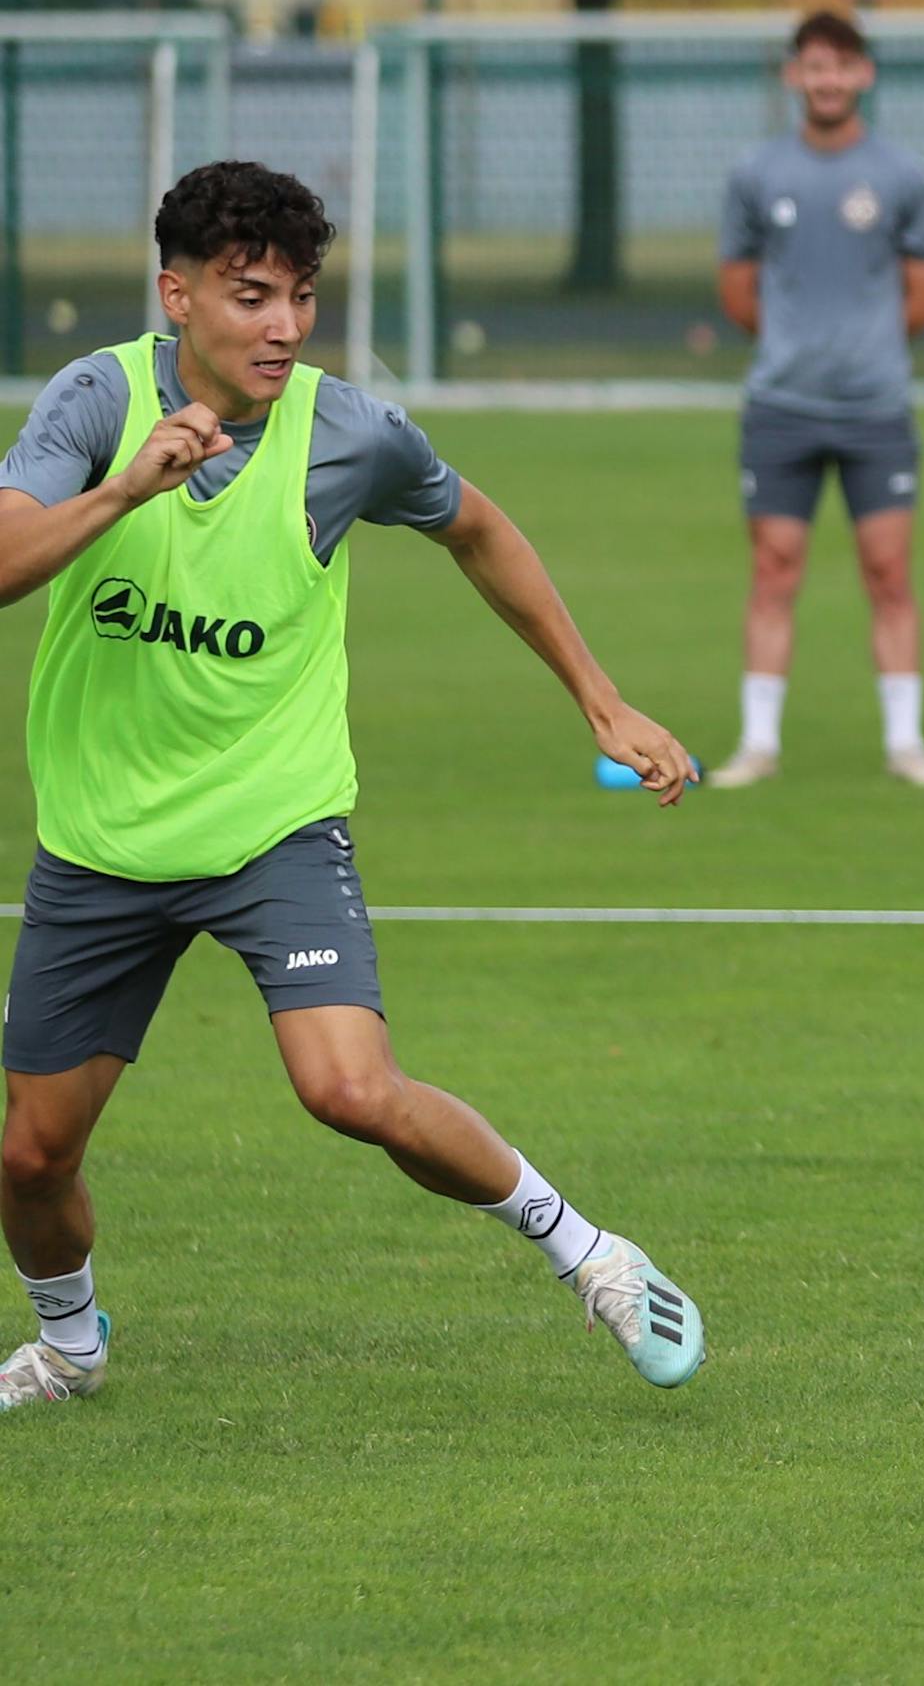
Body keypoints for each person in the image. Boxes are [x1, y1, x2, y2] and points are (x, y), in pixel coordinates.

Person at [0, 161, 706, 1411]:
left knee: (349, 1089)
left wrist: (601, 698)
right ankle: (70, 1344)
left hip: (274, 824)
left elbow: (478, 527)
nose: (282, 325)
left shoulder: (350, 435)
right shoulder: (94, 398)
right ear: (178, 295)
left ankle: (589, 1252)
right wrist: (126, 488)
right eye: (250, 294)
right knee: (30, 1153)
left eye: (302, 296)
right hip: (103, 841)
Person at [710, 9, 924, 789]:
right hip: (782, 406)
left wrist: (863, 351)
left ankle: (907, 744)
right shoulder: (756, 174)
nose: (827, 80)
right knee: (774, 570)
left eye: (841, 66)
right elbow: (739, 292)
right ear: (794, 75)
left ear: (863, 76)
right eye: (813, 66)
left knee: (888, 573)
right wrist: (799, 346)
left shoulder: (904, 176)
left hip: (876, 409)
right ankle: (757, 745)